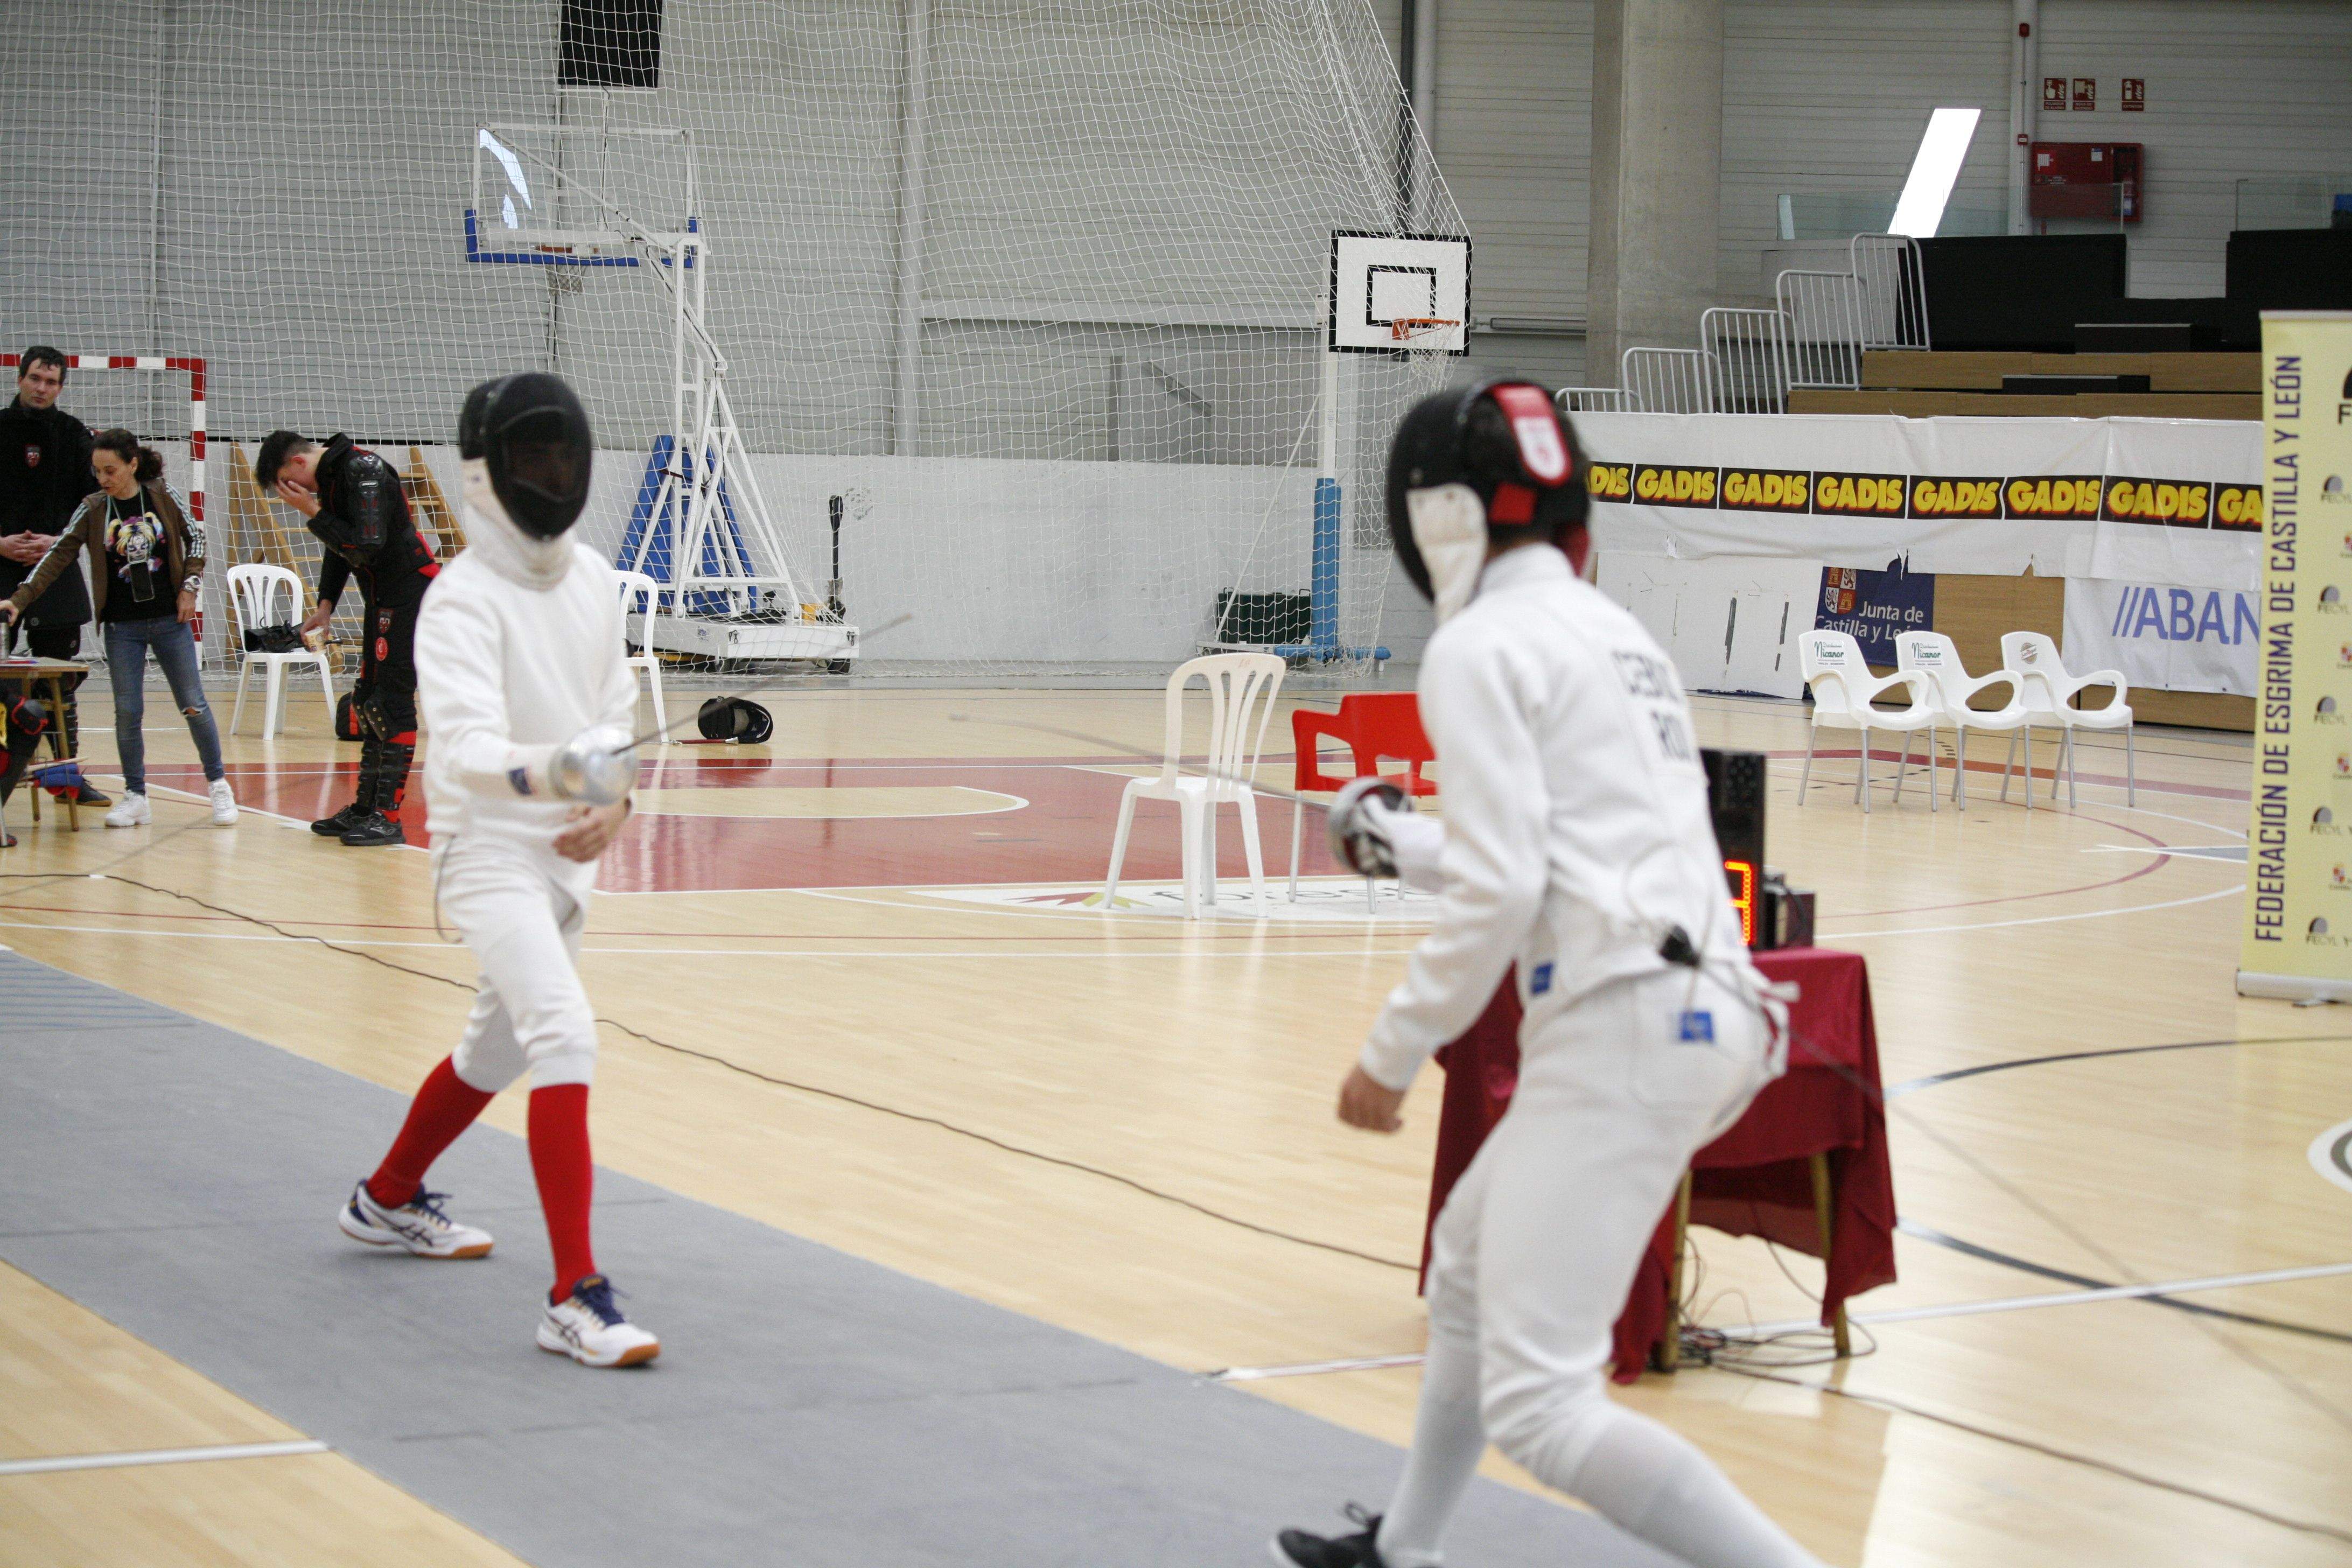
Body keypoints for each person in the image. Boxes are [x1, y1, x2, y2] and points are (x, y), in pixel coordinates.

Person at [1272, 382, 1817, 1568]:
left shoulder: (1478, 646)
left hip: (1627, 1024)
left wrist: (1392, 1052)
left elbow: (1506, 888)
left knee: (1545, 1406)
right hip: (1699, 1006)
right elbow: (1551, 853)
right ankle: (1403, 1550)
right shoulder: (1617, 637)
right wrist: (1398, 842)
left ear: (1439, 521)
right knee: (1467, 1257)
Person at [336, 371, 658, 1369]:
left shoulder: (597, 578)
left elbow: (612, 717)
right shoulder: (460, 599)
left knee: (494, 1051)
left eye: (562, 455)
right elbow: (468, 750)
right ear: (488, 471)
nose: (550, 474)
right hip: (486, 853)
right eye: (532, 457)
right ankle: (574, 1295)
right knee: (563, 1032)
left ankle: (384, 1197)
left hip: (566, 854)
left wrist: (613, 795)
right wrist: (565, 770)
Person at [0, 429, 235, 829]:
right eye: (97, 472)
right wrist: (19, 599)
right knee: (128, 712)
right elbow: (58, 554)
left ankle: (218, 785)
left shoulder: (161, 494)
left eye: (110, 470)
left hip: (169, 621)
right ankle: (135, 795)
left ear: (132, 465)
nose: (103, 479)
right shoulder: (93, 508)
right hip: (122, 627)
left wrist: (190, 588)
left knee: (193, 704)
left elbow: (196, 536)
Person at [253, 426, 438, 846]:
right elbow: (340, 550)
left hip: (412, 593)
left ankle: (388, 817)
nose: (292, 493)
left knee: (391, 702)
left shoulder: (363, 470)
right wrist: (325, 605)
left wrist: (313, 513)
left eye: (289, 484)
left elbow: (366, 546)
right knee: (366, 700)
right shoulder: (335, 479)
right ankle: (365, 808)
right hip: (383, 596)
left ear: (299, 463)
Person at [0, 346, 108, 806]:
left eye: (52, 382)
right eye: (36, 379)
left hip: (55, 566)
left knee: (61, 679)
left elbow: (97, 504)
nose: (42, 389)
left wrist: (59, 541)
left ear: (61, 387)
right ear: (20, 378)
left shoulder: (75, 436)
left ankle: (64, 775)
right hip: (1, 563)